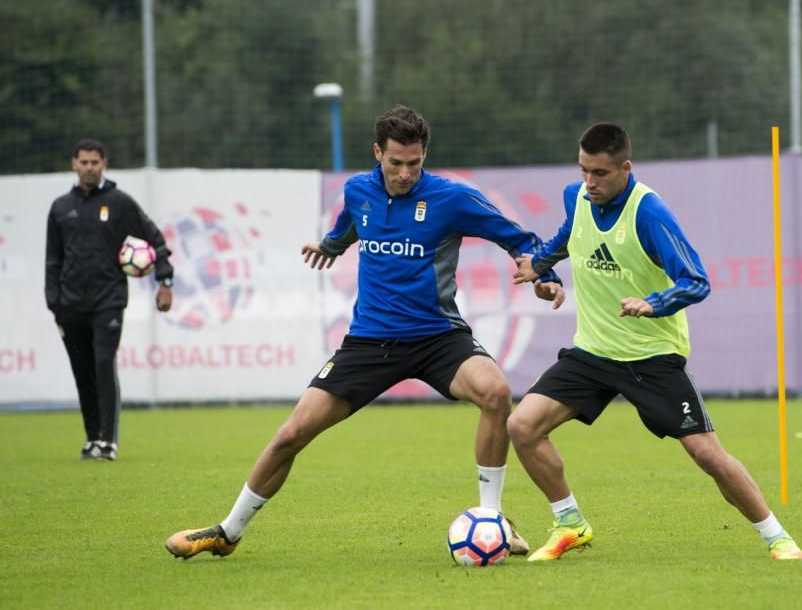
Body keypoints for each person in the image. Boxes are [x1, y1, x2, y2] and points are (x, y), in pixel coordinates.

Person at [165, 105, 564, 560]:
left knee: (495, 392)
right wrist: (329, 247)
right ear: (378, 152)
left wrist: (542, 275)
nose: (405, 173)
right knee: (292, 433)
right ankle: (227, 531)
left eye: (414, 163)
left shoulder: (451, 199)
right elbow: (348, 228)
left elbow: (520, 239)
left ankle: (491, 519)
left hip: (438, 337)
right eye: (395, 162)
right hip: (369, 343)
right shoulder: (358, 191)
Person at [507, 122, 802, 561]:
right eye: (584, 170)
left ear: (625, 168)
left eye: (601, 174)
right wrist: (543, 267)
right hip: (592, 351)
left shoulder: (649, 213)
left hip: (652, 358)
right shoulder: (577, 197)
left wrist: (655, 303)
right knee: (522, 426)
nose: (590, 182)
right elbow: (569, 235)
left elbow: (697, 280)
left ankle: (776, 536)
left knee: (707, 455)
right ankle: (571, 524)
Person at [45, 138, 175, 462]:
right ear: (73, 164)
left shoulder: (119, 203)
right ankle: (92, 439)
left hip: (108, 301)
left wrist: (165, 280)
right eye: (83, 162)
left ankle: (109, 440)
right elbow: (53, 259)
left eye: (94, 162)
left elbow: (155, 239)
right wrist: (54, 302)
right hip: (70, 306)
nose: (89, 167)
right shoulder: (61, 207)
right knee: (82, 371)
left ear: (104, 164)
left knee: (104, 364)